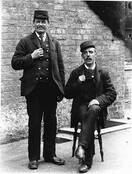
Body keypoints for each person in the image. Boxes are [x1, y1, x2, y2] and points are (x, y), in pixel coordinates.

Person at [11, 10, 65, 169]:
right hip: (34, 91)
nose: (41, 24)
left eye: (44, 21)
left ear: (48, 23)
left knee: (51, 123)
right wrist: (31, 56)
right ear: (33, 23)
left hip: (50, 90)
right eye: (38, 21)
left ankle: (50, 155)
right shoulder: (25, 42)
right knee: (34, 124)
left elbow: (60, 67)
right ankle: (33, 158)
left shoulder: (54, 42)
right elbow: (15, 63)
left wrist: (60, 89)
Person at [65, 41, 117, 173]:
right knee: (86, 116)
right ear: (82, 55)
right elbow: (67, 93)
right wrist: (78, 82)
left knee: (92, 111)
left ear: (95, 54)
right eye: (85, 53)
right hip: (81, 106)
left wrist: (98, 100)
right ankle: (86, 159)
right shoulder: (76, 73)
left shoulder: (103, 73)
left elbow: (112, 94)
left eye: (91, 52)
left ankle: (82, 148)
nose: (88, 55)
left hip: (97, 109)